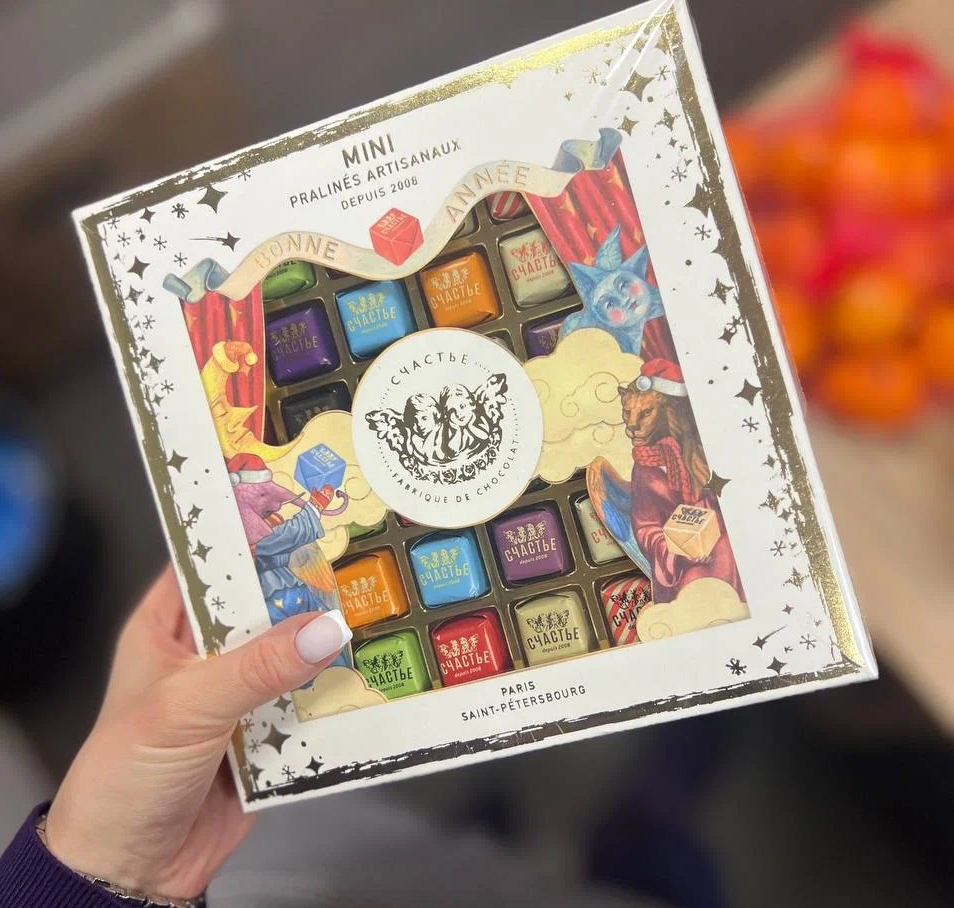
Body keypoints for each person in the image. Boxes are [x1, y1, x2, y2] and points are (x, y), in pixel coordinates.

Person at [0, 569, 649, 908]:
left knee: (341, 836)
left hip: (234, 859)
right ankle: (640, 831)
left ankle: (527, 840)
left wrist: (106, 871)